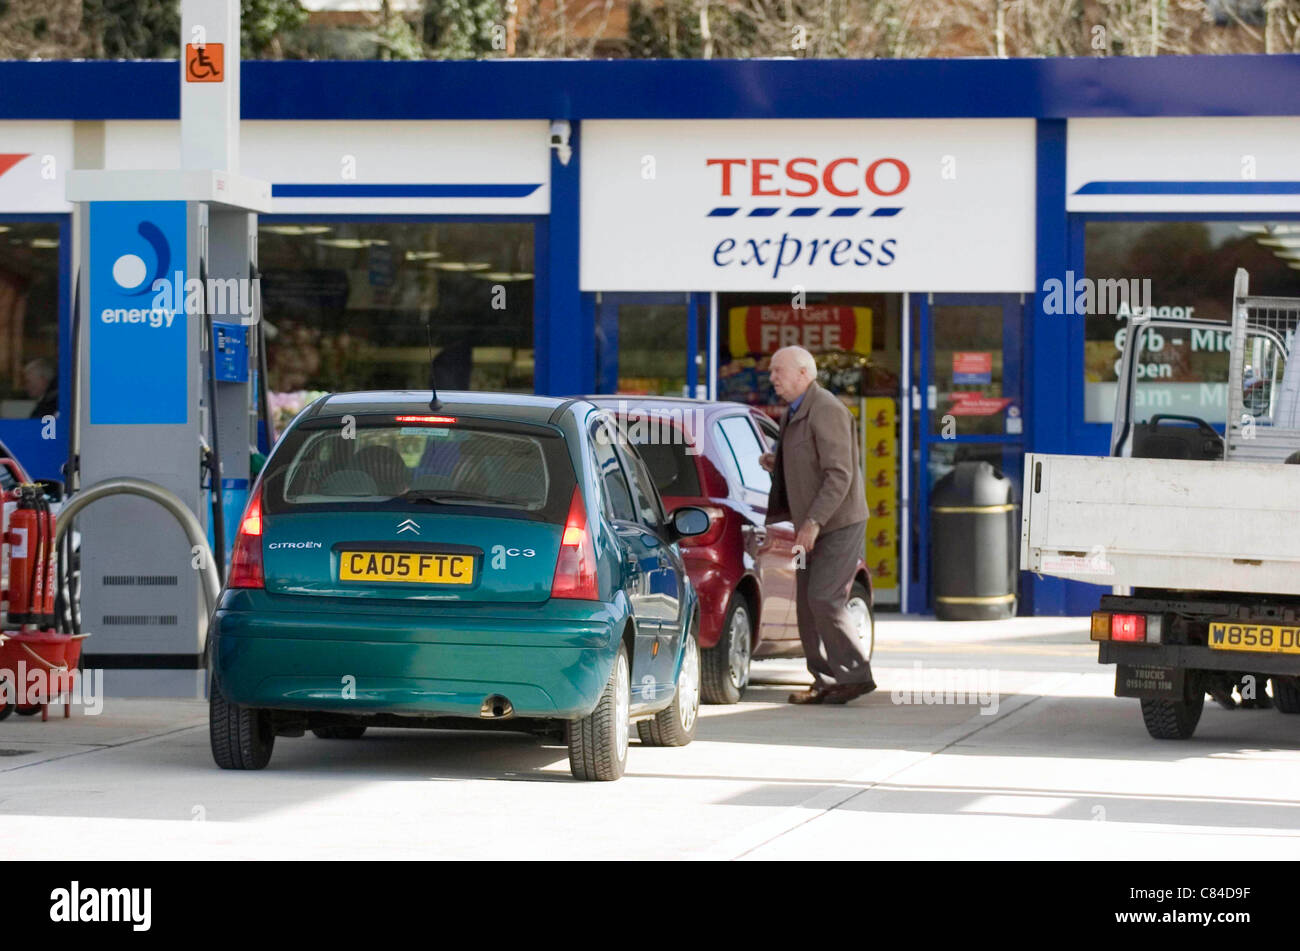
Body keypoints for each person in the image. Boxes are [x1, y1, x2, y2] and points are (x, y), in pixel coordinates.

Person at [760, 345, 876, 705]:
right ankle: (825, 679)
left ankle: (855, 675)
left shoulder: (826, 409)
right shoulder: (791, 413)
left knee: (824, 597)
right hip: (808, 525)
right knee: (806, 605)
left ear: (803, 374)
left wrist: (812, 522)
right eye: (772, 372)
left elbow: (839, 475)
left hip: (837, 523)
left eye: (778, 371)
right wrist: (775, 463)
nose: (772, 378)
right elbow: (804, 460)